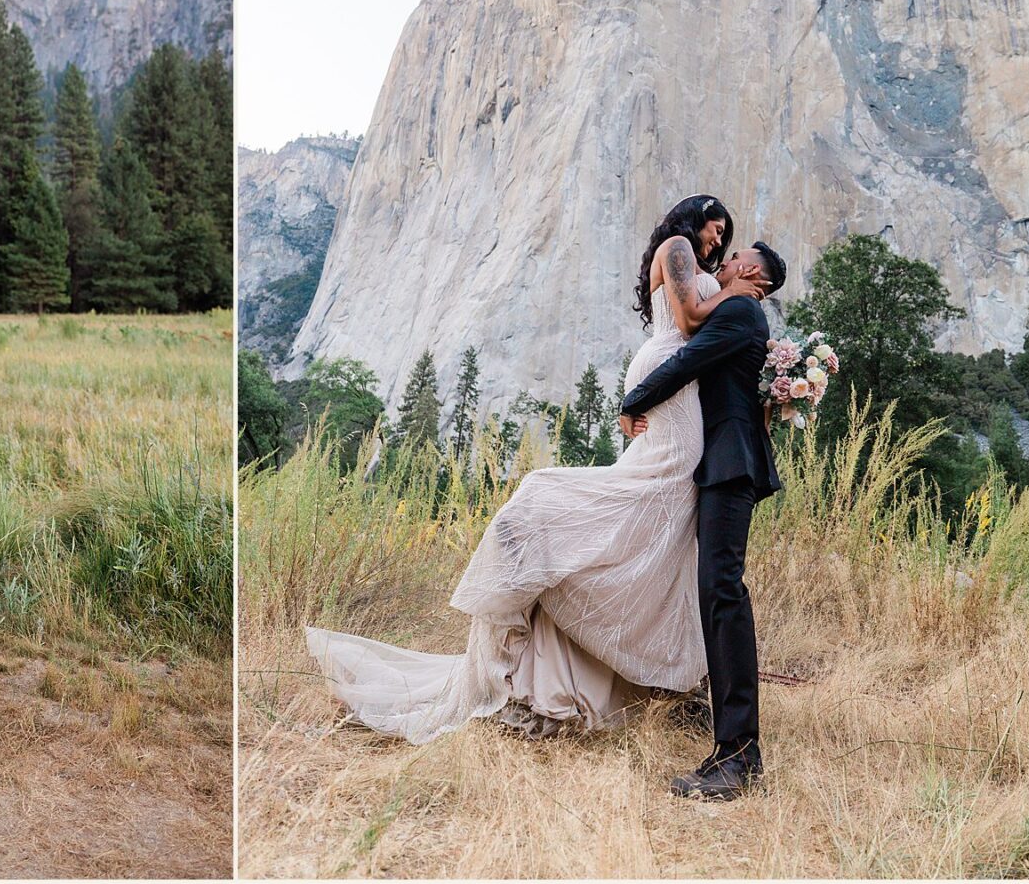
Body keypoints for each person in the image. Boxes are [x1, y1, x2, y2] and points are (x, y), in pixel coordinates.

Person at [305, 195, 766, 745]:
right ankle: (552, 645)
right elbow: (690, 318)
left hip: (675, 413)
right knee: (577, 508)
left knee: (645, 537)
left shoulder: (705, 274)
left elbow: (708, 345)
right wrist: (732, 294)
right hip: (667, 402)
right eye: (716, 232)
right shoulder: (678, 248)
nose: (716, 245)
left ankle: (650, 683)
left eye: (724, 241)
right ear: (694, 221)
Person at [621, 237, 787, 800]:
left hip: (729, 462)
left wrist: (633, 400)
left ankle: (739, 756)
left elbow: (690, 358)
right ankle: (730, 744)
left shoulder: (741, 308)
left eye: (737, 256)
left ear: (750, 271)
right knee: (716, 591)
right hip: (722, 460)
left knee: (722, 592)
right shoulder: (743, 310)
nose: (728, 259)